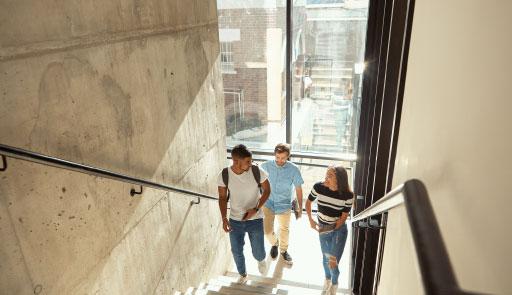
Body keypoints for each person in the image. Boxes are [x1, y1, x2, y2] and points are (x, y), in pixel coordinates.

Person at [218, 144, 271, 284]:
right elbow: (222, 198)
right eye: (247, 161)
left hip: (255, 219)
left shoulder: (256, 171)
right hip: (235, 220)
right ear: (236, 161)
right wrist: (224, 218)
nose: (250, 163)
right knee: (236, 251)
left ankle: (261, 260)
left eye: (251, 160)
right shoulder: (224, 175)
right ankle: (242, 274)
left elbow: (267, 190)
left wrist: (256, 208)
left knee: (258, 252)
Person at [305, 166, 354, 295]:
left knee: (333, 261)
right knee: (326, 258)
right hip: (323, 229)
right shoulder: (318, 187)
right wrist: (310, 219)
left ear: (339, 179)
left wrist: (330, 229)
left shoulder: (348, 196)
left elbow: (343, 218)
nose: (326, 178)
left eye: (330, 176)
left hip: (338, 230)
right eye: (326, 175)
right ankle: (327, 279)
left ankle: (334, 283)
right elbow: (308, 202)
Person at [261, 143, 304, 265]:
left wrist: (300, 208)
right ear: (274, 155)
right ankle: (274, 243)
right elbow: (255, 179)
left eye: (283, 158)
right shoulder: (265, 166)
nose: (280, 161)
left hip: (284, 204)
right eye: (277, 157)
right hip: (268, 202)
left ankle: (284, 250)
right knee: (267, 231)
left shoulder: (294, 169)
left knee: (284, 229)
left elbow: (299, 189)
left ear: (288, 156)